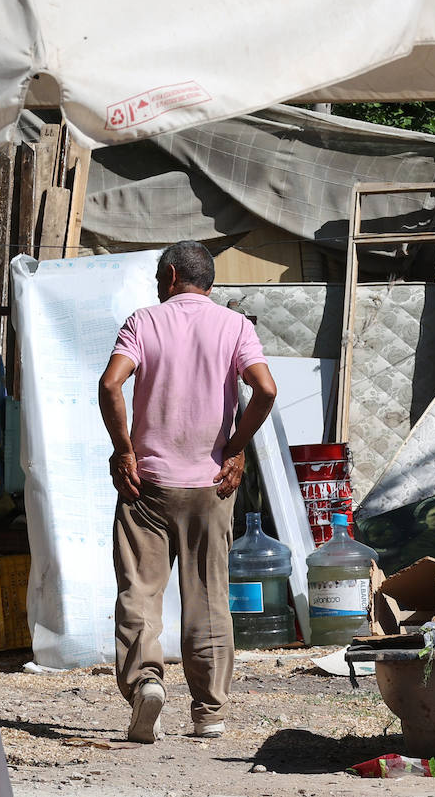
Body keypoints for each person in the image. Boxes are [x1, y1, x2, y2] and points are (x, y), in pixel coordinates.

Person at [98, 241, 277, 744]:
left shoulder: (143, 322)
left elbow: (111, 384)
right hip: (210, 486)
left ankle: (146, 685)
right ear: (210, 283)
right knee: (208, 598)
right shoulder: (235, 327)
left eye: (160, 280)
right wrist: (236, 448)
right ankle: (209, 713)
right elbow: (265, 389)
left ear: (171, 275)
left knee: (139, 593)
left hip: (145, 487)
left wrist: (124, 451)